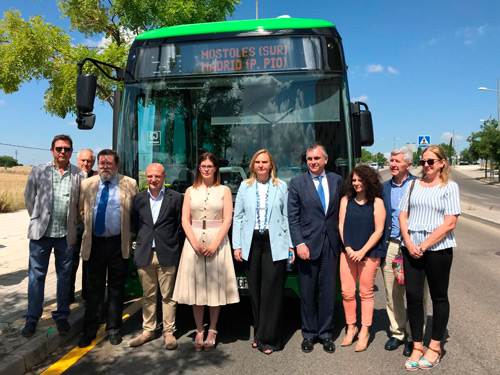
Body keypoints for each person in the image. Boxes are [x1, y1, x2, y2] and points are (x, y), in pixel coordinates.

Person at [399, 145, 460, 371]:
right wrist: (409, 241)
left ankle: (435, 346)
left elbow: (450, 223)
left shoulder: (449, 187)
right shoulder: (413, 185)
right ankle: (417, 345)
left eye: (431, 161)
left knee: (438, 297)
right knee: (413, 298)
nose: (426, 165)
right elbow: (403, 215)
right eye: (423, 161)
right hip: (411, 248)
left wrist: (423, 245)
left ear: (442, 162)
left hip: (438, 250)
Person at [172, 152, 239, 351]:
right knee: (197, 287)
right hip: (193, 241)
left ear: (215, 168)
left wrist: (215, 243)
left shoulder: (224, 190)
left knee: (214, 287)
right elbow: (185, 219)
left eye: (210, 166)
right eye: (203, 166)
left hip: (217, 239)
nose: (207, 169)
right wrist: (194, 242)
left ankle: (213, 328)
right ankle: (199, 329)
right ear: (199, 168)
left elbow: (227, 219)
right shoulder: (190, 191)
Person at [22, 135, 85, 337]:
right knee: (35, 277)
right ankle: (32, 318)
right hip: (41, 234)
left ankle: (61, 315)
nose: (62, 152)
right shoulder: (39, 171)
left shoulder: (79, 175)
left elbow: (80, 203)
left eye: (66, 149)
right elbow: (29, 198)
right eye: (59, 148)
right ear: (52, 150)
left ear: (71, 151)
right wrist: (37, 217)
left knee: (64, 277)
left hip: (65, 236)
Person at [233, 149, 294, 355]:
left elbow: (286, 217)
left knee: (272, 292)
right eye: (257, 162)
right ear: (253, 165)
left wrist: (291, 245)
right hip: (251, 242)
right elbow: (238, 217)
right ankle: (259, 333)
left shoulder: (281, 186)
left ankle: (271, 339)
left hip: (274, 242)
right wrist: (237, 245)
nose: (260, 165)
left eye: (264, 162)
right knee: (255, 293)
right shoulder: (244, 186)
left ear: (271, 165)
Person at [78, 149, 138, 348]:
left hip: (117, 244)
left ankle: (113, 329)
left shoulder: (129, 184)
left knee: (116, 290)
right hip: (94, 244)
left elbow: (135, 212)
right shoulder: (87, 184)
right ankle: (89, 331)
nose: (104, 167)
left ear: (117, 165)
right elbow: (81, 211)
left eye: (109, 163)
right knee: (93, 291)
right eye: (101, 163)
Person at [288, 143, 343, 354]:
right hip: (307, 246)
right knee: (308, 292)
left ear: (325, 160)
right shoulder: (297, 183)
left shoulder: (337, 181)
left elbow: (343, 209)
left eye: (317, 158)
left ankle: (326, 333)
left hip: (331, 243)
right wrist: (299, 243)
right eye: (310, 159)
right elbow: (292, 218)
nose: (313, 162)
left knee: (328, 291)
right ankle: (309, 333)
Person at [129, 163, 184, 349]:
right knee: (148, 295)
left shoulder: (176, 198)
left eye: (157, 176)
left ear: (164, 177)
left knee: (168, 296)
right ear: (146, 177)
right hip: (145, 253)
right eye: (150, 176)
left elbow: (179, 225)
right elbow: (136, 224)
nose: (153, 180)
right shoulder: (137, 199)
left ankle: (169, 332)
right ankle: (148, 330)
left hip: (167, 253)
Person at [381, 147, 428, 356]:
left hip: (415, 246)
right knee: (393, 292)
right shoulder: (383, 188)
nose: (392, 164)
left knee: (417, 294)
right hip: (392, 244)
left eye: (397, 161)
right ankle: (397, 333)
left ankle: (414, 336)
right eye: (391, 161)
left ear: (408, 165)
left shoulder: (420, 185)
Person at [338, 165, 386, 352]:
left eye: (360, 180)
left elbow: (379, 230)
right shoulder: (345, 200)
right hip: (347, 252)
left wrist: (362, 251)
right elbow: (341, 225)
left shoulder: (377, 203)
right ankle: (351, 327)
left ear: (369, 181)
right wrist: (349, 248)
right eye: (354, 180)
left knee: (365, 293)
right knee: (347, 292)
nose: (356, 183)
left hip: (370, 254)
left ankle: (365, 331)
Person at [69, 148, 97, 303]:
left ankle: (88, 296)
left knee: (89, 264)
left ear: (93, 162)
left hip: (91, 228)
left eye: (89, 161)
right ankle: (68, 296)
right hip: (73, 227)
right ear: (77, 160)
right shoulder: (71, 176)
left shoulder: (97, 177)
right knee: (71, 263)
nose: (85, 163)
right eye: (83, 160)